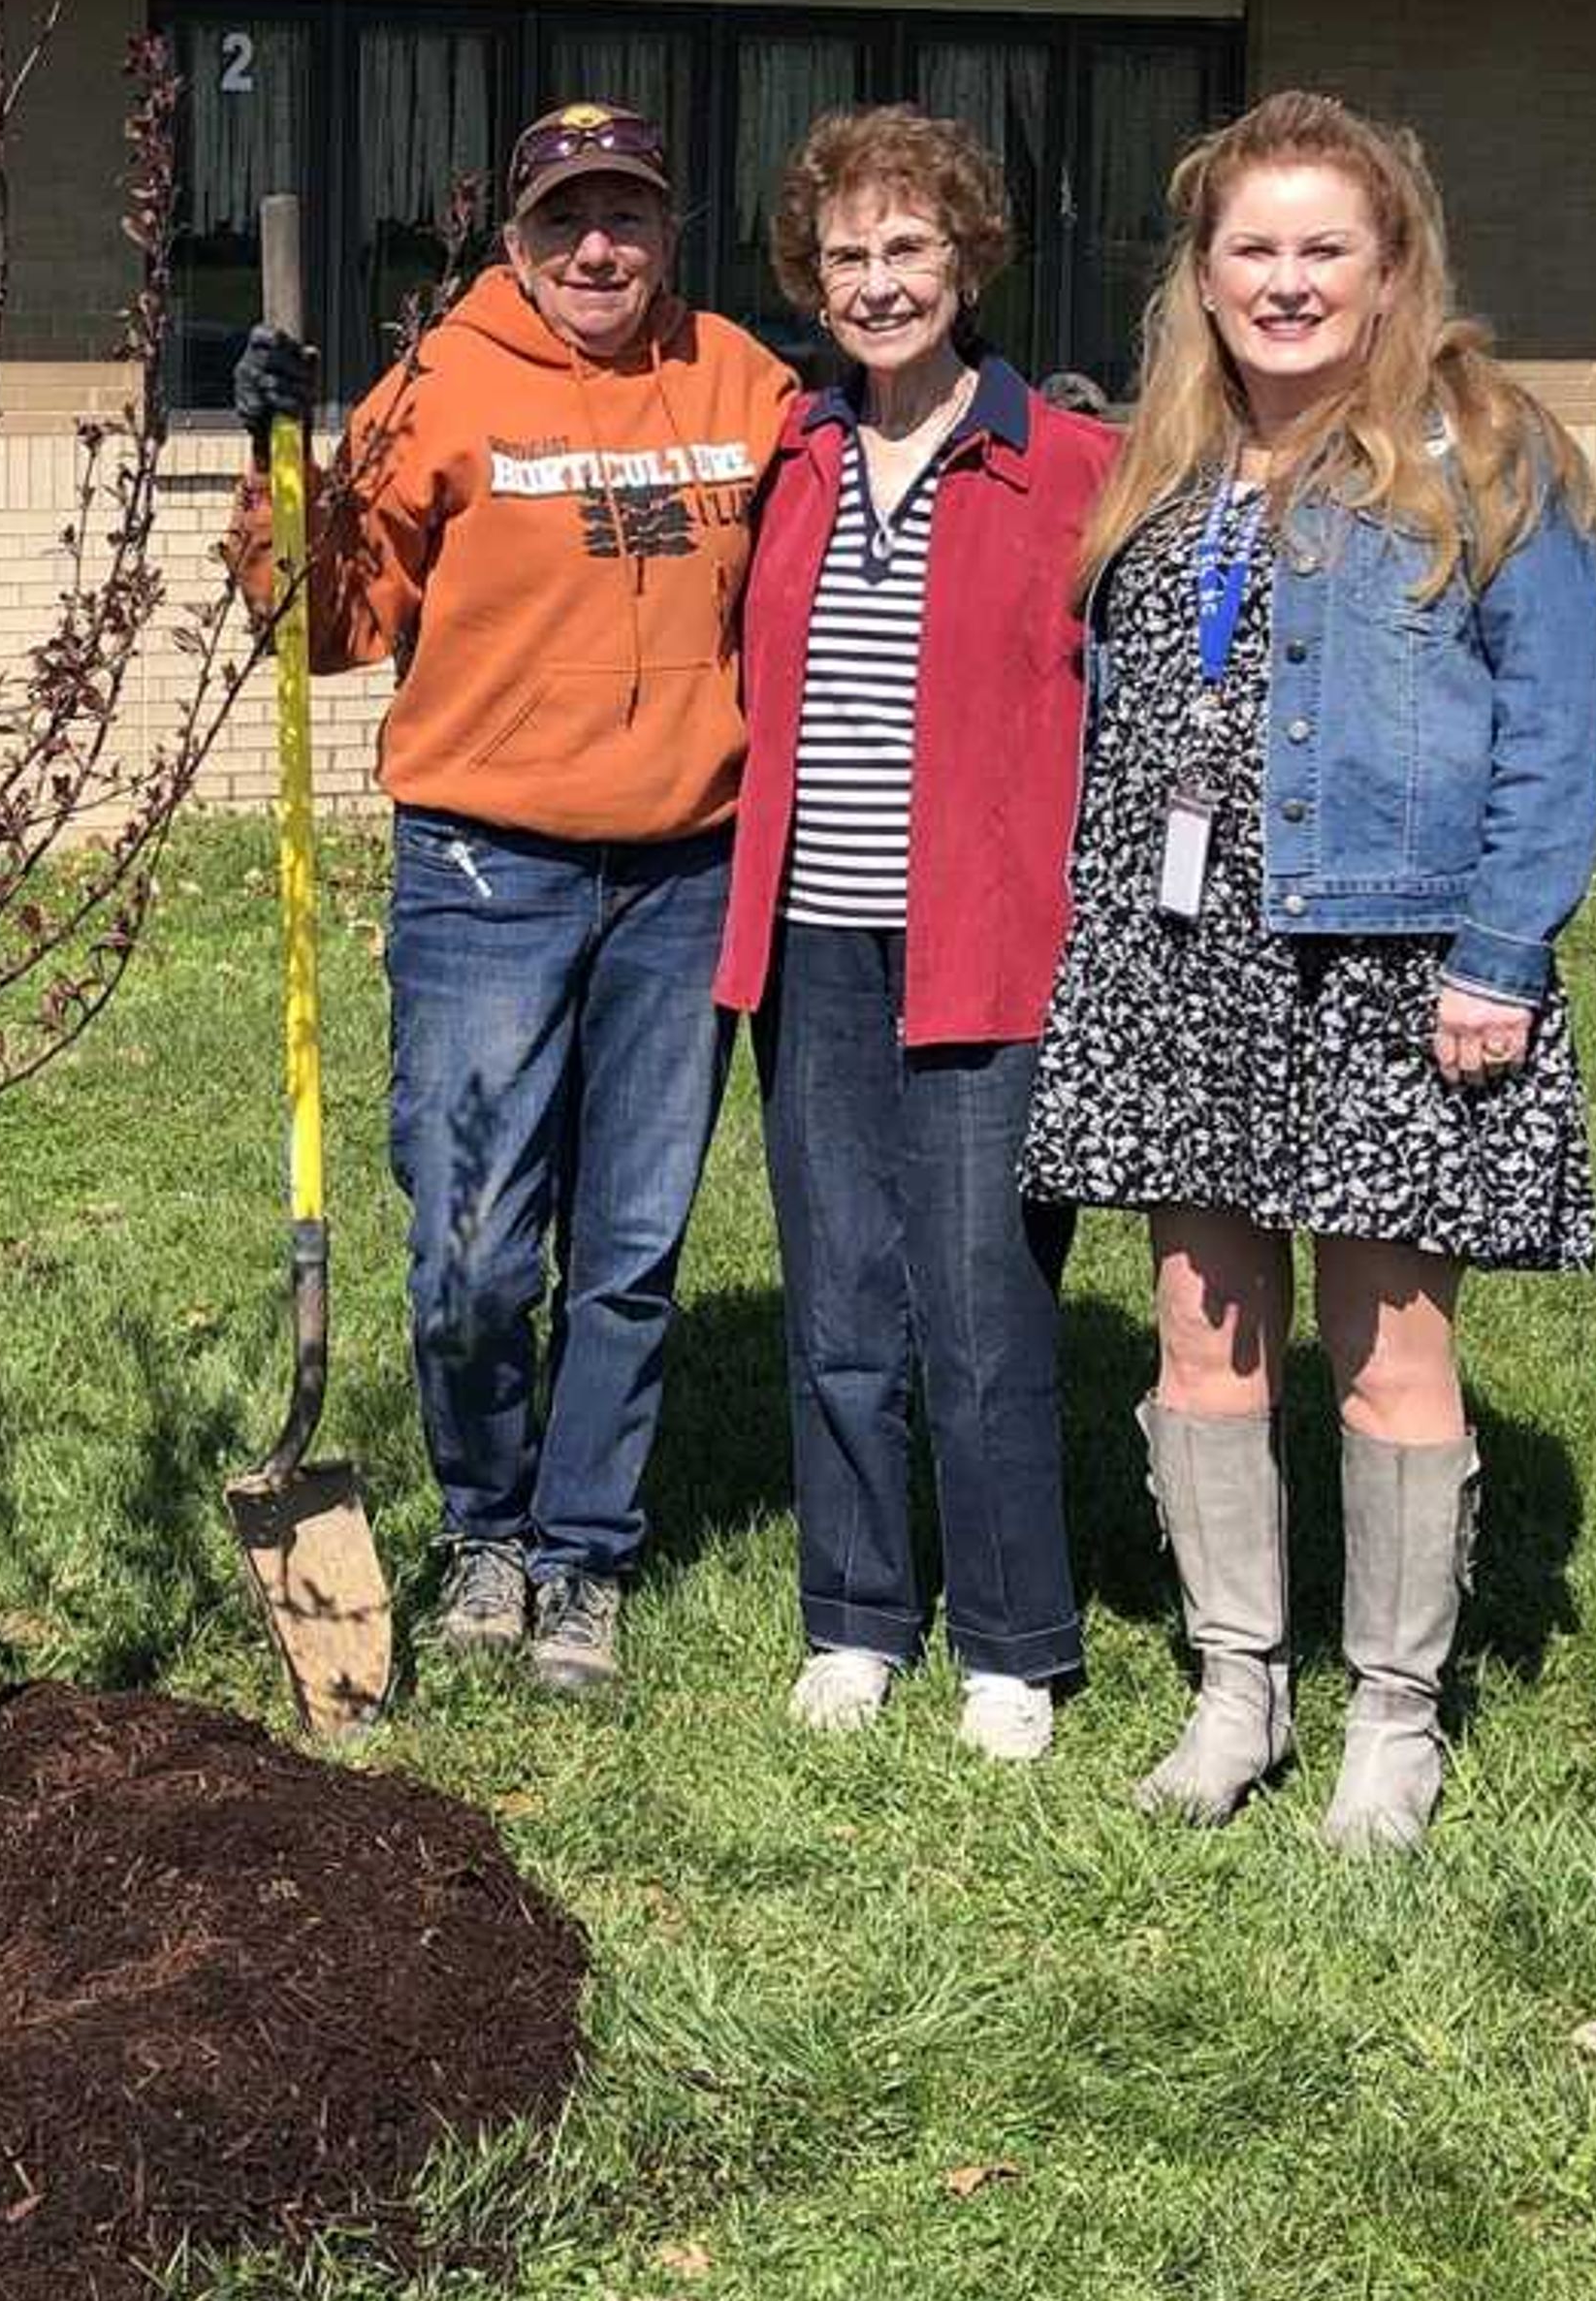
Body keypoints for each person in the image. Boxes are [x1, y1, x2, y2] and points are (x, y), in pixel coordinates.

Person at [1019, 90, 1596, 1853]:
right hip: (1177, 959)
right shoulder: (1165, 462)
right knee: (1208, 1344)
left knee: (1386, 1356)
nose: (1285, 284)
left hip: (1387, 961)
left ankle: (1392, 1715)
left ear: (1392, 262)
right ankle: (1234, 1684)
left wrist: (1499, 953)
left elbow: (1556, 737)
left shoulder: (1487, 454)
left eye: (1321, 249)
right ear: (1200, 278)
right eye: (1250, 250)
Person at [231, 103, 796, 1698]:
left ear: (671, 232)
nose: (597, 249)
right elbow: (318, 619)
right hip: (487, 867)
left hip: (686, 869)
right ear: (516, 242)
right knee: (476, 1244)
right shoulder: (442, 382)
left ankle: (583, 1555)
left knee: (627, 1241)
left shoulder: (743, 381)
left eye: (627, 215)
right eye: (565, 221)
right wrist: (278, 469)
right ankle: (486, 1520)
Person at [715, 110, 1113, 1762]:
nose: (877, 283)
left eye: (909, 249)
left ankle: (1015, 1638)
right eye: (846, 256)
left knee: (983, 1299)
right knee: (839, 1298)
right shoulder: (791, 458)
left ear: (968, 259)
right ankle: (857, 1611)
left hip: (991, 949)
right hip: (814, 948)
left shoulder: (1070, 469)